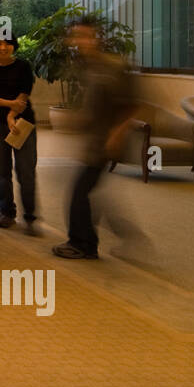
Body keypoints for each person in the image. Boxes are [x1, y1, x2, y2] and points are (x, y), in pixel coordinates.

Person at [53, 19, 139, 260]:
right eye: (75, 37)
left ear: (97, 38)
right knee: (89, 192)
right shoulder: (90, 67)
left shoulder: (115, 66)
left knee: (80, 193)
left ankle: (83, 243)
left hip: (107, 142)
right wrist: (79, 121)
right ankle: (105, 237)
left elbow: (133, 105)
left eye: (84, 36)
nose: (79, 42)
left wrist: (117, 134)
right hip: (93, 142)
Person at [0, 28, 39, 232]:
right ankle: (6, 212)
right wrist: (9, 107)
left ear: (13, 44)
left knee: (26, 171)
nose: (2, 47)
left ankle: (30, 215)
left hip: (23, 124)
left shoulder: (23, 66)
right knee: (2, 171)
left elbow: (25, 93)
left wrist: (12, 115)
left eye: (7, 43)